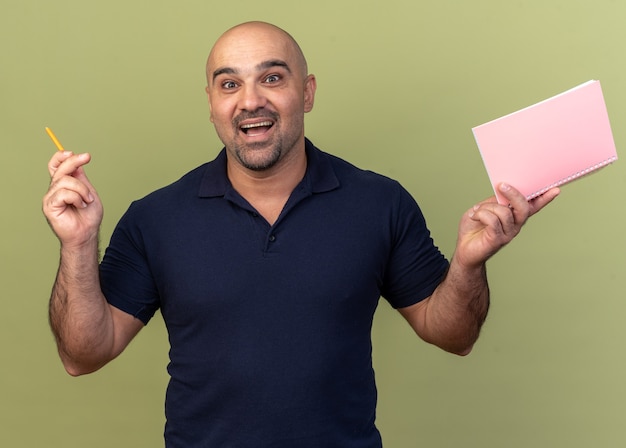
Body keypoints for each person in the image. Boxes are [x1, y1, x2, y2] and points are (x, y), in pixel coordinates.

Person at [42, 21, 559, 447]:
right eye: (229, 84)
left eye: (271, 78)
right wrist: (79, 245)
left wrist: (469, 265)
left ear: (306, 92)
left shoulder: (380, 203)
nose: (249, 101)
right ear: (211, 103)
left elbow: (454, 336)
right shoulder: (155, 218)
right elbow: (82, 355)